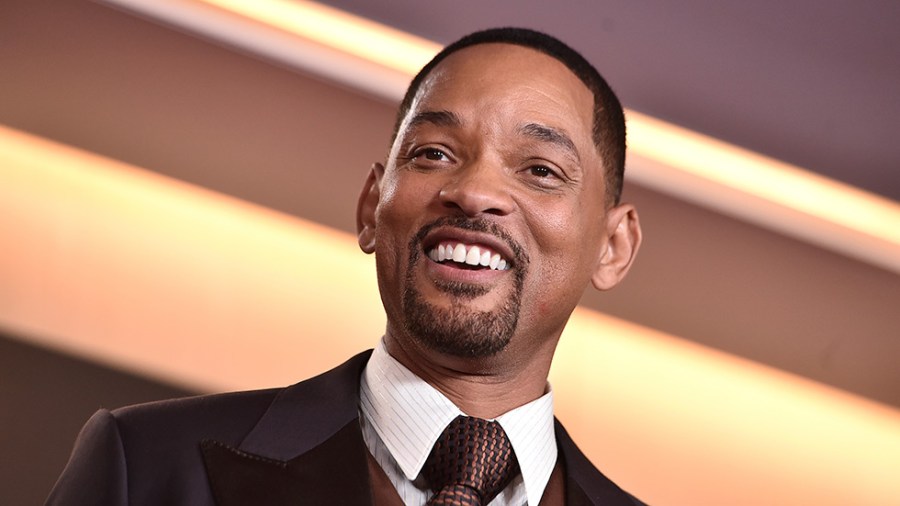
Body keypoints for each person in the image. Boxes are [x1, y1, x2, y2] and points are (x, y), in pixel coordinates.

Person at [47, 27, 644, 505]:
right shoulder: (147, 465)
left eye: (540, 169)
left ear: (612, 247)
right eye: (433, 154)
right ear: (371, 207)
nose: (475, 190)